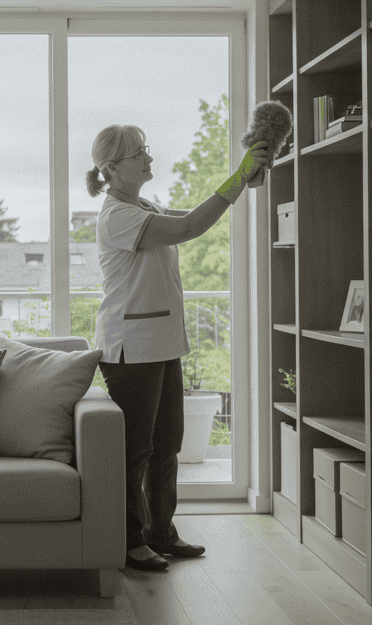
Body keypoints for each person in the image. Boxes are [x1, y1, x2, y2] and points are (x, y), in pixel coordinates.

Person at [86, 124, 268, 572]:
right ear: (111, 168)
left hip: (161, 342)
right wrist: (238, 177)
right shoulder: (118, 216)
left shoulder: (143, 205)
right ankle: (131, 540)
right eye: (137, 154)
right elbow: (189, 227)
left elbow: (191, 217)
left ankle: (161, 532)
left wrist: (242, 184)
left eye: (146, 149)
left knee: (168, 443)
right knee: (136, 450)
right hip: (131, 349)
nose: (149, 159)